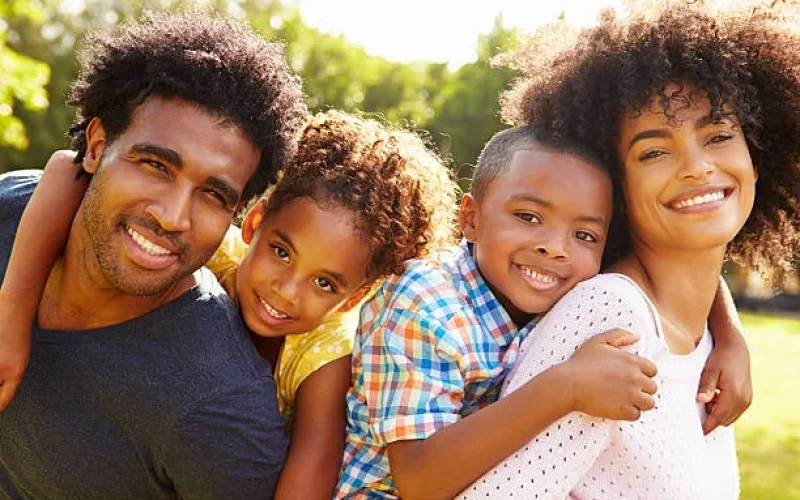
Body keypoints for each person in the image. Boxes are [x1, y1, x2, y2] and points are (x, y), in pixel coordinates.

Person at [20, 109, 459, 499]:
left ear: (355, 298)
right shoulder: (219, 250)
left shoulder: (326, 352)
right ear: (253, 223)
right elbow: (66, 170)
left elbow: (310, 472)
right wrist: (10, 317)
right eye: (282, 253)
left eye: (324, 283)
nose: (286, 290)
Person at [460, 2, 798, 497]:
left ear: (757, 153)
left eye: (719, 135)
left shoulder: (702, 328)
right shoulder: (613, 314)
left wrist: (729, 331)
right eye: (654, 151)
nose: (697, 167)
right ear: (614, 186)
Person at [335, 125, 751, 499]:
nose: (555, 247)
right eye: (528, 216)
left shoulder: (556, 287)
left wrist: (729, 333)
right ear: (471, 218)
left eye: (584, 234)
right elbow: (418, 481)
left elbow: (677, 263)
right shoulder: (427, 302)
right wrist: (564, 387)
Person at [0, 11, 307, 498]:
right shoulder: (10, 210)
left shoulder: (219, 410)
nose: (172, 216)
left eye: (213, 194)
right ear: (98, 146)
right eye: (155, 165)